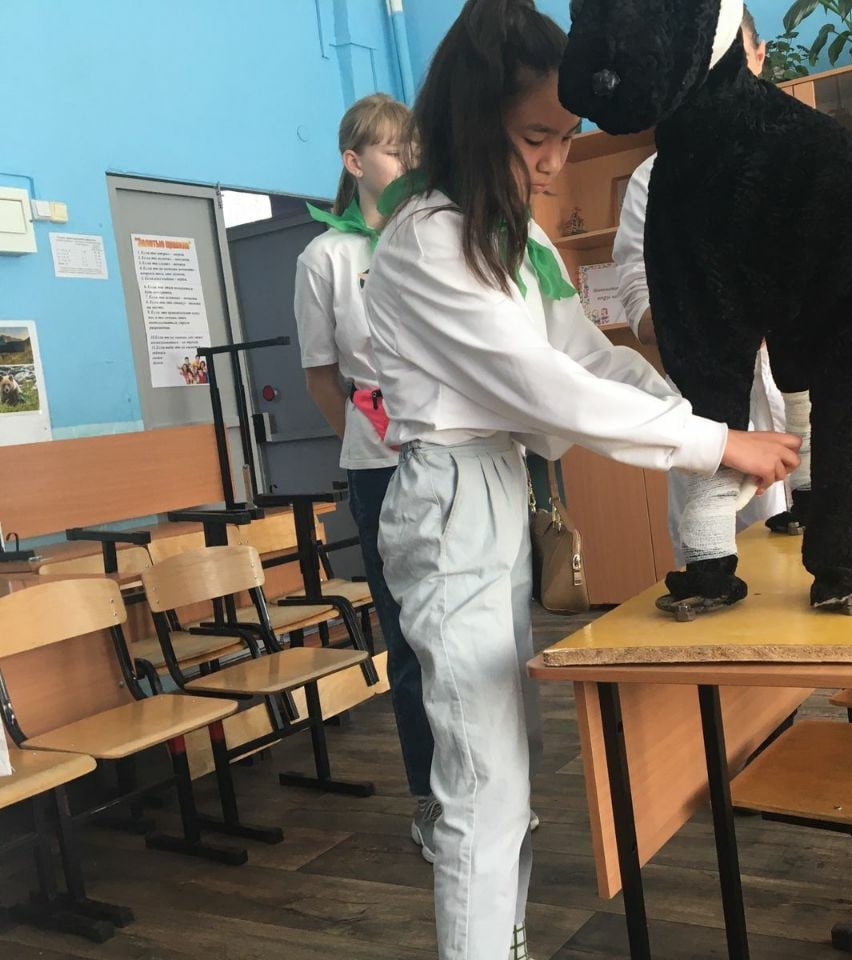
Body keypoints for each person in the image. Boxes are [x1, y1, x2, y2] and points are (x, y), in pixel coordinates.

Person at [362, 2, 800, 956]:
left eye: (566, 137)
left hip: (492, 491)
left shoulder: (510, 236)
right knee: (482, 785)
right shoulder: (428, 241)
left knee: (504, 770)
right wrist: (712, 444)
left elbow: (588, 356)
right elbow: (548, 388)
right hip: (451, 498)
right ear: (474, 120)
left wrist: (704, 414)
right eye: (536, 139)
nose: (556, 163)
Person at [612, 5, 852, 569]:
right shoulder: (653, 179)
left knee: (846, 559)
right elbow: (642, 305)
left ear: (757, 57)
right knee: (726, 569)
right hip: (718, 419)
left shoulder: (810, 151)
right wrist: (722, 328)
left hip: (816, 403)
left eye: (729, 55)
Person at [293, 93, 441, 862]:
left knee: (472, 631)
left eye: (414, 148)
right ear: (355, 161)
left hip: (452, 452)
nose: (410, 160)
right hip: (379, 468)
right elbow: (322, 376)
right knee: (411, 639)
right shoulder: (325, 257)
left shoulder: (432, 233)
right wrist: (366, 436)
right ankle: (431, 798)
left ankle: (485, 787)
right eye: (393, 149)